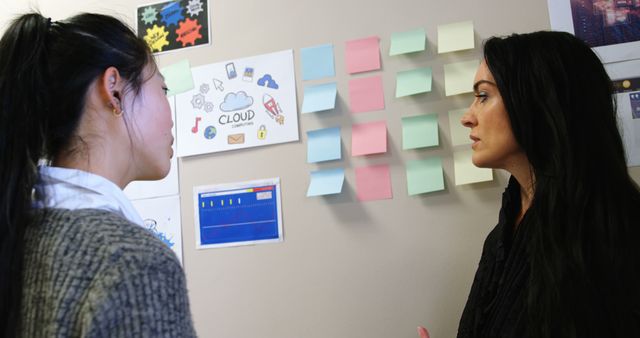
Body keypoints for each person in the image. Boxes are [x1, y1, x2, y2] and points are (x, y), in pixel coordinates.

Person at [0, 12, 196, 337]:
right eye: (163, 88)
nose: (171, 113)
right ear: (114, 91)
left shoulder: (15, 236)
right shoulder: (136, 264)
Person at [457, 31, 640, 337]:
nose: (467, 117)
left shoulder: (614, 239)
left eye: (484, 96)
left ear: (538, 102)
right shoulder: (501, 237)